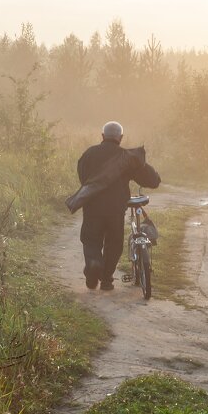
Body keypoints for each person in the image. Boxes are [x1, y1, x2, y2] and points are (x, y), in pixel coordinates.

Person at [76, 121, 161, 290]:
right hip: (115, 209)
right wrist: (153, 174)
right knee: (114, 243)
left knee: (91, 240)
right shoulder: (126, 158)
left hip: (92, 206)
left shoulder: (89, 154)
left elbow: (83, 177)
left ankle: (93, 265)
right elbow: (150, 180)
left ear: (102, 136)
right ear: (120, 138)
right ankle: (106, 279)